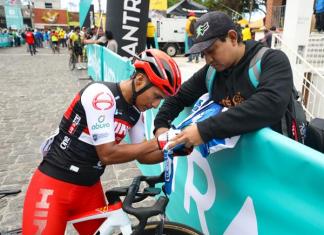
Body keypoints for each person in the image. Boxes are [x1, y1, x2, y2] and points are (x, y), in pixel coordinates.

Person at [22, 49, 183, 235]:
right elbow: (107, 154)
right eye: (156, 96)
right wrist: (159, 141)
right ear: (139, 81)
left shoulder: (136, 112)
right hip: (53, 188)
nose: (156, 105)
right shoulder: (101, 95)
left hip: (89, 190)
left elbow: (144, 156)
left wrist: (173, 148)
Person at [154, 11, 293, 150]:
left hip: (273, 160)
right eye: (203, 54)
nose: (208, 60)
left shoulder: (271, 60)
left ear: (232, 38)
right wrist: (161, 126)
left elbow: (270, 105)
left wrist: (204, 130)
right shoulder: (212, 71)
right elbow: (179, 96)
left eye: (212, 50)